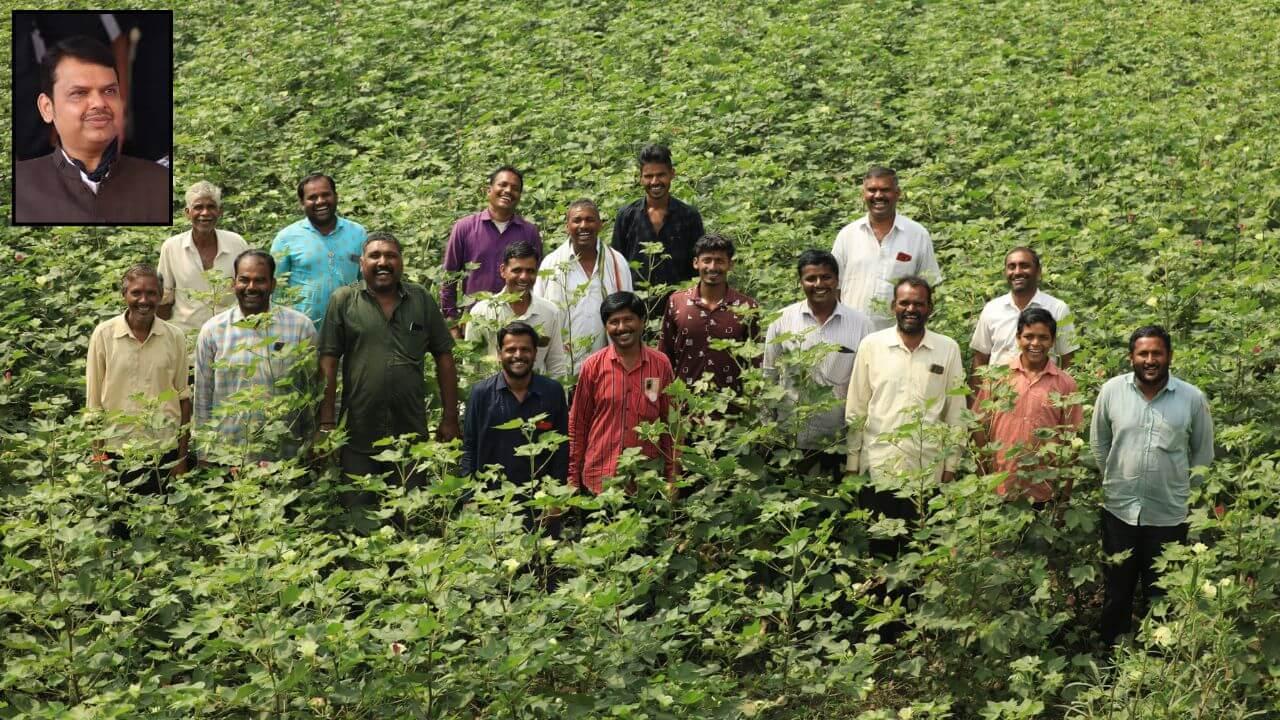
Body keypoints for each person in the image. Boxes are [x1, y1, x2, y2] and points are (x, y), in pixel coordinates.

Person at [1091, 325, 1213, 645]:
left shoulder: (1191, 398)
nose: (1150, 360)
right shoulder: (1111, 392)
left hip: (1169, 516)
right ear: (1131, 356)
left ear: (1169, 356)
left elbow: (1202, 454)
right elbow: (1100, 444)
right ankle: (1111, 659)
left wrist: (1187, 496)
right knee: (1117, 592)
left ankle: (1158, 664)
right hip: (1119, 512)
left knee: (1162, 594)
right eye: (1143, 353)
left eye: (1156, 353)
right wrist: (1114, 479)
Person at [317, 232, 460, 485]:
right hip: (357, 434)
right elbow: (328, 361)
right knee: (358, 512)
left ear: (401, 262)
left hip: (411, 435)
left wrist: (450, 418)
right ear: (362, 263)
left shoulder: (421, 300)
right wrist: (327, 422)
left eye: (390, 256)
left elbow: (444, 357)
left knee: (409, 514)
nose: (383, 262)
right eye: (375, 256)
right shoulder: (344, 300)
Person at [846, 276, 965, 556]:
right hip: (879, 468)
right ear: (893, 306)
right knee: (880, 552)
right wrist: (853, 464)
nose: (911, 309)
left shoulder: (947, 348)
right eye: (905, 303)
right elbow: (857, 407)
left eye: (919, 303)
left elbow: (956, 411)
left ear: (930, 308)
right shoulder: (871, 345)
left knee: (924, 554)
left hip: (927, 471)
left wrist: (951, 465)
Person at [13, 35, 169, 224]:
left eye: (109, 91)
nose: (99, 103)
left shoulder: (161, 183)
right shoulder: (18, 187)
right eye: (79, 93)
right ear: (47, 108)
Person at [194, 250, 318, 464]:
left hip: (285, 456)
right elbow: (203, 396)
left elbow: (313, 391)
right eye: (244, 280)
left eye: (260, 280)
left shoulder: (300, 327)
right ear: (234, 283)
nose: (251, 287)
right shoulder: (213, 330)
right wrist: (204, 454)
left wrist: (312, 443)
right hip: (229, 456)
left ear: (273, 284)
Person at [764, 250, 875, 480]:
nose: (819, 284)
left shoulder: (862, 325)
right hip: (792, 439)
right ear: (801, 282)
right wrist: (768, 433)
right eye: (811, 278)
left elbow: (868, 384)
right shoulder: (781, 320)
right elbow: (769, 376)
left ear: (837, 280)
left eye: (826, 277)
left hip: (840, 439)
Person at [85, 264, 190, 490]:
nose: (144, 300)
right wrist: (98, 457)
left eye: (151, 293)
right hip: (118, 450)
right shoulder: (104, 335)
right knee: (120, 523)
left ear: (161, 296)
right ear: (124, 295)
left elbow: (183, 398)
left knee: (161, 521)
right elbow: (94, 402)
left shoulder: (175, 337)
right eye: (136, 293)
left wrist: (180, 459)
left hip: (163, 450)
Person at [972, 307, 1083, 504]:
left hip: (1044, 490)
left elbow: (1071, 442)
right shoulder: (998, 377)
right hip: (999, 486)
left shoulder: (1065, 383)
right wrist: (985, 474)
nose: (1035, 343)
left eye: (1043, 337)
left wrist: (1063, 500)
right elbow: (979, 424)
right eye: (1028, 336)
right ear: (1018, 338)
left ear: (1053, 341)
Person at [569, 292, 676, 495]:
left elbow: (671, 424)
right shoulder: (593, 366)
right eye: (613, 322)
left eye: (628, 319)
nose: (621, 328)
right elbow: (578, 424)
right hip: (600, 481)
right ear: (606, 327)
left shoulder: (660, 364)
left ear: (642, 321)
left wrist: (673, 477)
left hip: (647, 483)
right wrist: (573, 479)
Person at [461, 321, 569, 490]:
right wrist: (469, 497)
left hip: (540, 499)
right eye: (511, 349)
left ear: (534, 353)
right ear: (499, 353)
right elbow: (469, 448)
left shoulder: (553, 392)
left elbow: (562, 448)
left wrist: (556, 498)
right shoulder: (481, 394)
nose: (518, 355)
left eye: (525, 349)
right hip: (491, 500)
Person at [831, 166, 941, 329]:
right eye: (872, 190)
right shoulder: (848, 235)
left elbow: (929, 287)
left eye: (885, 190)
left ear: (897, 193)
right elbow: (834, 287)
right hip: (850, 332)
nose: (878, 195)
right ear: (863, 194)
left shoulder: (917, 235)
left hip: (898, 335)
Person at [532, 199, 632, 372]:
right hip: (561, 367)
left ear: (600, 224)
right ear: (567, 226)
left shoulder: (616, 262)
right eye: (577, 220)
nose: (583, 225)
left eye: (590, 219)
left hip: (607, 366)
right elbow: (539, 317)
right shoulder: (551, 265)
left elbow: (630, 313)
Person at [441, 166, 542, 334]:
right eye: (502, 185)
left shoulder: (529, 232)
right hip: (475, 323)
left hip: (519, 325)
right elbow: (449, 278)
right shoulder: (464, 228)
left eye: (515, 188)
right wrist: (452, 323)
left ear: (519, 196)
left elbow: (536, 279)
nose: (508, 191)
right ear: (489, 190)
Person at [659, 233, 760, 390]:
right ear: (696, 263)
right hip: (684, 404)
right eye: (707, 261)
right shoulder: (677, 302)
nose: (712, 267)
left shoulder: (747, 307)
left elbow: (755, 361)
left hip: (732, 406)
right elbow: (664, 355)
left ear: (730, 265)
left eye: (719, 261)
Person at [611, 144, 705, 312]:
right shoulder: (627, 216)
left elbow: (698, 266)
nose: (655, 182)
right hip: (636, 309)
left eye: (661, 175)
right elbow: (616, 265)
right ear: (640, 178)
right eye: (648, 176)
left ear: (672, 174)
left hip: (680, 309)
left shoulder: (689, 216)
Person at [270, 173, 367, 328]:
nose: (320, 201)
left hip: (348, 327)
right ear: (302, 203)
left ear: (336, 196)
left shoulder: (357, 233)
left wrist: (354, 299)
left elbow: (363, 279)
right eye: (312, 197)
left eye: (326, 195)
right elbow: (276, 287)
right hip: (300, 331)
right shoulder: (286, 238)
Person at [970, 247, 1078, 382]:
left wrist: (1064, 395)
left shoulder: (1057, 309)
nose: (1017, 271)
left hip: (1043, 394)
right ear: (1005, 272)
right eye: (1011, 267)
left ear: (1038, 271)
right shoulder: (991, 309)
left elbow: (1068, 360)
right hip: (998, 396)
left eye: (1024, 266)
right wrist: (976, 402)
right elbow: (980, 360)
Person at [465, 241, 569, 378]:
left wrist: (559, 397)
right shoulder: (481, 312)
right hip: (492, 396)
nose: (524, 277)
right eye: (517, 270)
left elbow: (556, 365)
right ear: (503, 270)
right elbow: (470, 366)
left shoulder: (549, 312)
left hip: (536, 397)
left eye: (530, 271)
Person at [156, 181, 249, 333]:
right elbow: (164, 299)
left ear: (220, 211)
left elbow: (247, 291)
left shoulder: (237, 243)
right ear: (187, 213)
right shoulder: (172, 248)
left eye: (211, 207)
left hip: (230, 334)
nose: (205, 213)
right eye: (198, 207)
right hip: (187, 337)